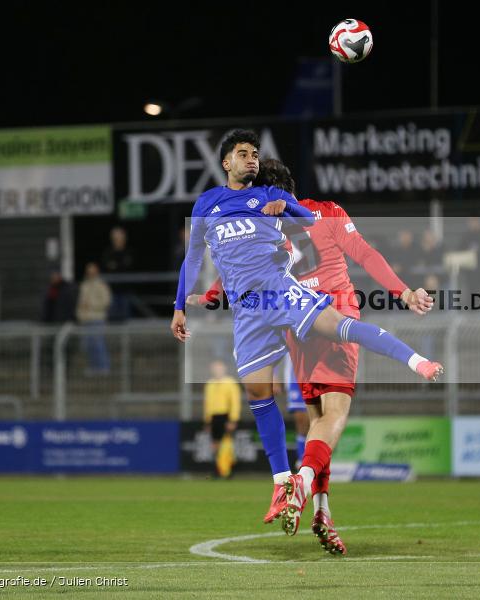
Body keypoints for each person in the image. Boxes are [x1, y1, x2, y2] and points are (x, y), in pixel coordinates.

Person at [189, 156, 434, 553]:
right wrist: (402, 292)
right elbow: (365, 254)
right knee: (334, 416)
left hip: (292, 324)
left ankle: (322, 509)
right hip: (331, 313)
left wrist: (210, 296)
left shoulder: (261, 222)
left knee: (315, 422)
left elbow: (236, 268)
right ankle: (303, 487)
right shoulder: (325, 212)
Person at [203, 360, 242, 476]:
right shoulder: (210, 384)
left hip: (226, 416)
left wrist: (233, 419)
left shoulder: (230, 383)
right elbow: (207, 403)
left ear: (224, 369)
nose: (217, 370)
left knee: (227, 443)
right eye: (215, 368)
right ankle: (217, 469)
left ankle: (229, 470)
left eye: (219, 368)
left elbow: (235, 402)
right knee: (215, 444)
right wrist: (207, 421)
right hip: (214, 417)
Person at [77, 262, 112, 375]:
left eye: (92, 272)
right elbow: (80, 303)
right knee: (88, 345)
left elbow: (106, 302)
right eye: (89, 272)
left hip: (97, 318)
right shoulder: (84, 285)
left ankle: (103, 367)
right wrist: (80, 315)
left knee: (98, 344)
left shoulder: (101, 285)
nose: (90, 274)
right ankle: (93, 367)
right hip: (86, 319)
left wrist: (91, 304)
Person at [101, 226, 134, 322]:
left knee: (126, 319)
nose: (117, 239)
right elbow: (106, 267)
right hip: (111, 291)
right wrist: (121, 265)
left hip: (126, 290)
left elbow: (129, 266)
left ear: (124, 238)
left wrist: (116, 265)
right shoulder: (108, 252)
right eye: (115, 237)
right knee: (112, 319)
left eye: (120, 237)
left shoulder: (129, 251)